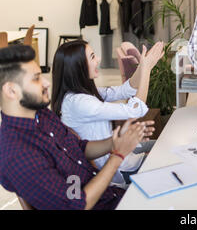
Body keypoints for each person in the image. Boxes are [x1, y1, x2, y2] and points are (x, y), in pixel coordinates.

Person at [0, 45, 153, 209]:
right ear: (11, 90)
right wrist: (118, 155)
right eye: (36, 78)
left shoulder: (42, 115)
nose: (46, 83)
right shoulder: (17, 154)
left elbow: (79, 147)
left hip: (111, 194)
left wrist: (115, 142)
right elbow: (75, 205)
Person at [51, 40, 164, 187]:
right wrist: (147, 70)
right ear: (77, 67)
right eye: (92, 57)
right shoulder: (79, 102)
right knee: (167, 153)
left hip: (120, 151)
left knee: (164, 145)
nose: (98, 59)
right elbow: (135, 111)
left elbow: (126, 89)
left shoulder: (79, 94)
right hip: (119, 167)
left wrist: (143, 66)